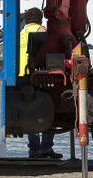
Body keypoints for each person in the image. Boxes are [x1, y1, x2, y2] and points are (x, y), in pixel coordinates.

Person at [19, 8, 62, 159]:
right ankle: (46, 148)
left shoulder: (20, 33)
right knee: (49, 111)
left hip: (20, 77)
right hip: (36, 76)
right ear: (41, 19)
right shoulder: (41, 30)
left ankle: (33, 150)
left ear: (25, 20)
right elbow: (49, 54)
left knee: (31, 114)